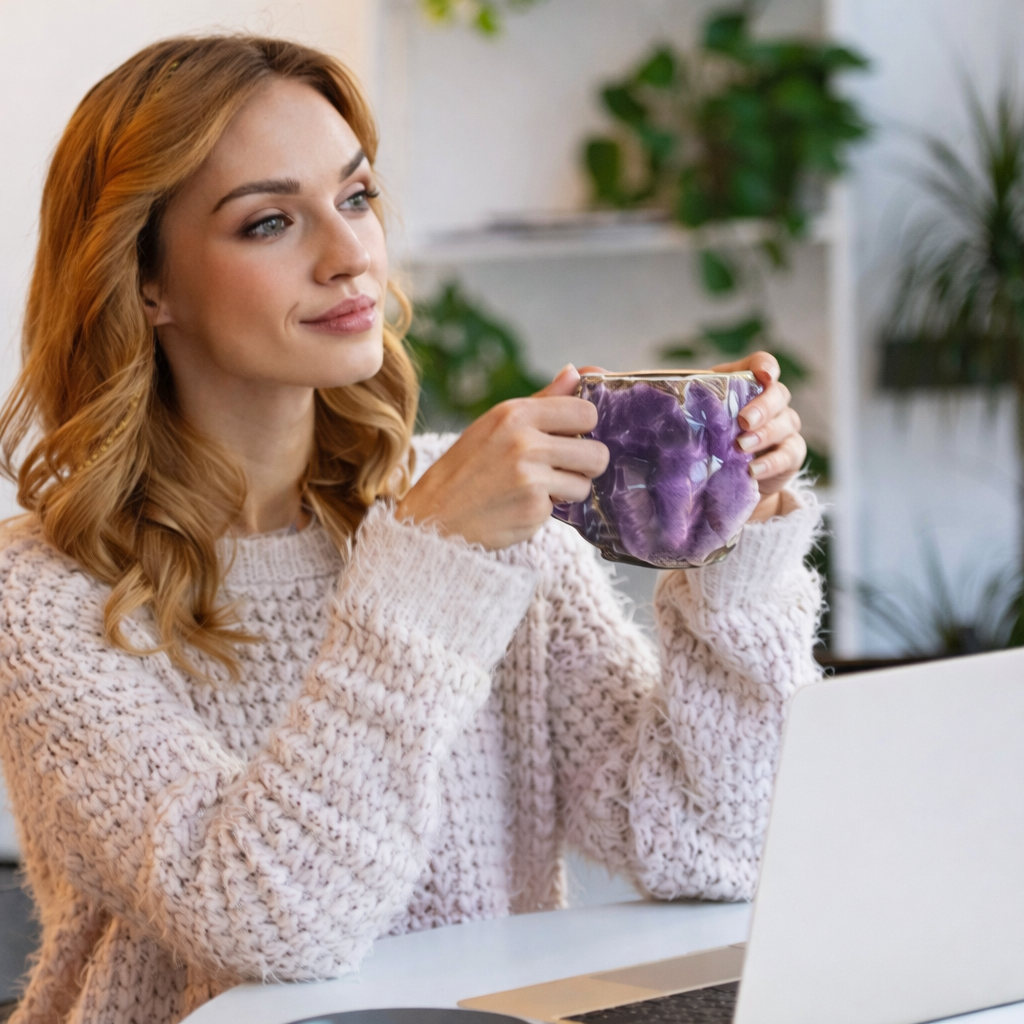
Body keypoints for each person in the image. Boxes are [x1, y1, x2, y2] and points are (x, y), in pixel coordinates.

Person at [0, 35, 821, 1024]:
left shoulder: (473, 513)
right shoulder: (48, 592)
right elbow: (266, 915)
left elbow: (708, 842)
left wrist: (741, 549)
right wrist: (428, 572)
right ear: (146, 281)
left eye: (354, 198)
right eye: (268, 221)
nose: (349, 254)